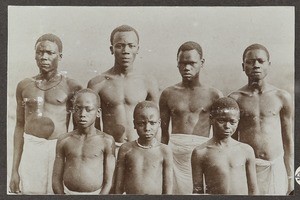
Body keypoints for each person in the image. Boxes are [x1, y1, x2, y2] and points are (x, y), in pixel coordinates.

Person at [9, 33, 82, 194]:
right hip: (32, 149)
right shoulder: (24, 85)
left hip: (59, 149)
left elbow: (79, 132)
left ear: (60, 56)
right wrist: (14, 170)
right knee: (30, 193)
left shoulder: (72, 86)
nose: (44, 57)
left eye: (50, 53)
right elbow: (19, 126)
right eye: (40, 52)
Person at [229, 43, 294, 195]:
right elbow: (230, 142)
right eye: (250, 62)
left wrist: (291, 178)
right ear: (243, 66)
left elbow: (288, 141)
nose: (255, 65)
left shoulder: (281, 97)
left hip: (275, 166)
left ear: (269, 64)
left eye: (260, 61)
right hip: (248, 169)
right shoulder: (235, 98)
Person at [159, 41, 223, 194]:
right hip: (174, 156)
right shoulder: (168, 94)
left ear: (202, 63)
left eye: (192, 63)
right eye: (182, 63)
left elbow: (221, 135)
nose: (186, 67)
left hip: (202, 153)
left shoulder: (214, 95)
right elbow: (163, 135)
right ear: (177, 64)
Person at [87, 25, 160, 151]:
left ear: (138, 49)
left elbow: (156, 123)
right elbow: (92, 128)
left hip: (140, 149)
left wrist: (155, 152)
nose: (126, 51)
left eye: (131, 46)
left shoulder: (148, 82)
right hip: (109, 149)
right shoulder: (98, 84)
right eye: (120, 45)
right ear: (112, 49)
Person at [52, 89, 115, 195]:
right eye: (78, 109)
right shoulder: (64, 140)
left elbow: (109, 182)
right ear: (72, 111)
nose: (82, 114)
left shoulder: (106, 141)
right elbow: (56, 180)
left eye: (88, 109)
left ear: (98, 112)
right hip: (68, 194)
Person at [191, 97, 259, 195]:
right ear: (211, 119)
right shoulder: (201, 152)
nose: (227, 126)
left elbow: (254, 191)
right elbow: (197, 192)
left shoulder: (246, 150)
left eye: (232, 122)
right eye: (221, 121)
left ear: (238, 121)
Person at [115, 101, 173, 194]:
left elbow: (168, 188)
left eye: (152, 123)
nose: (147, 128)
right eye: (141, 123)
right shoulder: (126, 149)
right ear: (134, 124)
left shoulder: (164, 151)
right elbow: (118, 187)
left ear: (159, 123)